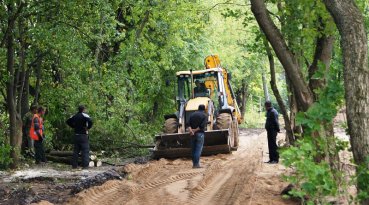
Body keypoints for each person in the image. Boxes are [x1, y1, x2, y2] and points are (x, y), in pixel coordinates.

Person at [66, 105, 93, 169]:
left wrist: (73, 126)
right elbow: (91, 121)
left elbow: (68, 121)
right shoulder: (85, 115)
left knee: (76, 151)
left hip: (76, 135)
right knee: (85, 150)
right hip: (83, 135)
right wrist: (88, 128)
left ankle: (74, 165)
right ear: (83, 109)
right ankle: (85, 165)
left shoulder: (75, 115)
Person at [188, 104, 207, 168]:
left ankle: (194, 164)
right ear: (204, 109)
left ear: (198, 108)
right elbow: (202, 126)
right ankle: (196, 165)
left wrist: (191, 131)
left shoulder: (192, 114)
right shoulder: (204, 115)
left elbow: (188, 124)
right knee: (198, 149)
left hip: (192, 134)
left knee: (193, 149)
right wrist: (195, 130)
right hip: (200, 134)